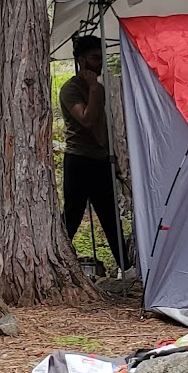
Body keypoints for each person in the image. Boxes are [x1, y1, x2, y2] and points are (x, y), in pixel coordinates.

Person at [60, 34, 128, 269]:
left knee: (111, 218)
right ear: (81, 60)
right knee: (72, 216)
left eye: (101, 58)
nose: (99, 63)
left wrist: (113, 158)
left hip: (101, 159)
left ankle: (125, 267)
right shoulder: (71, 89)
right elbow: (87, 119)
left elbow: (102, 125)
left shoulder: (97, 87)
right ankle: (60, 264)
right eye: (94, 58)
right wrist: (92, 88)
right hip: (79, 159)